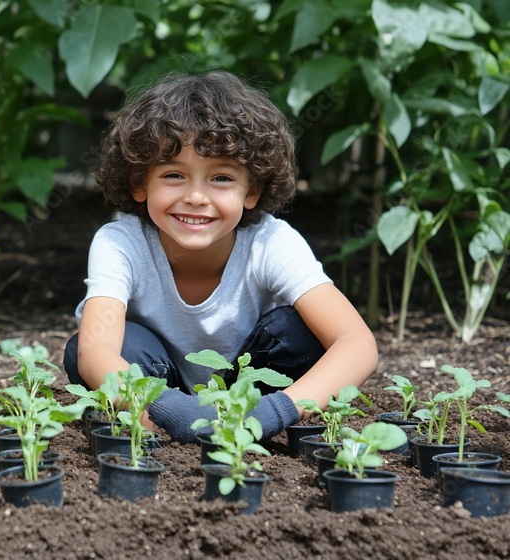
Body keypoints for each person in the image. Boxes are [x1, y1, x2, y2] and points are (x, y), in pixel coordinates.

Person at [63, 70, 378, 443]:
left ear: (252, 190)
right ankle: (162, 428)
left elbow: (357, 343)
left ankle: (251, 428)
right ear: (138, 183)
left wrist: (273, 412)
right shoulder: (121, 243)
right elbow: (95, 350)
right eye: (174, 175)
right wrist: (165, 408)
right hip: (158, 390)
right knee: (99, 347)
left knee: (299, 333)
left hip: (256, 395)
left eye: (221, 178)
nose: (196, 197)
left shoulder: (269, 242)